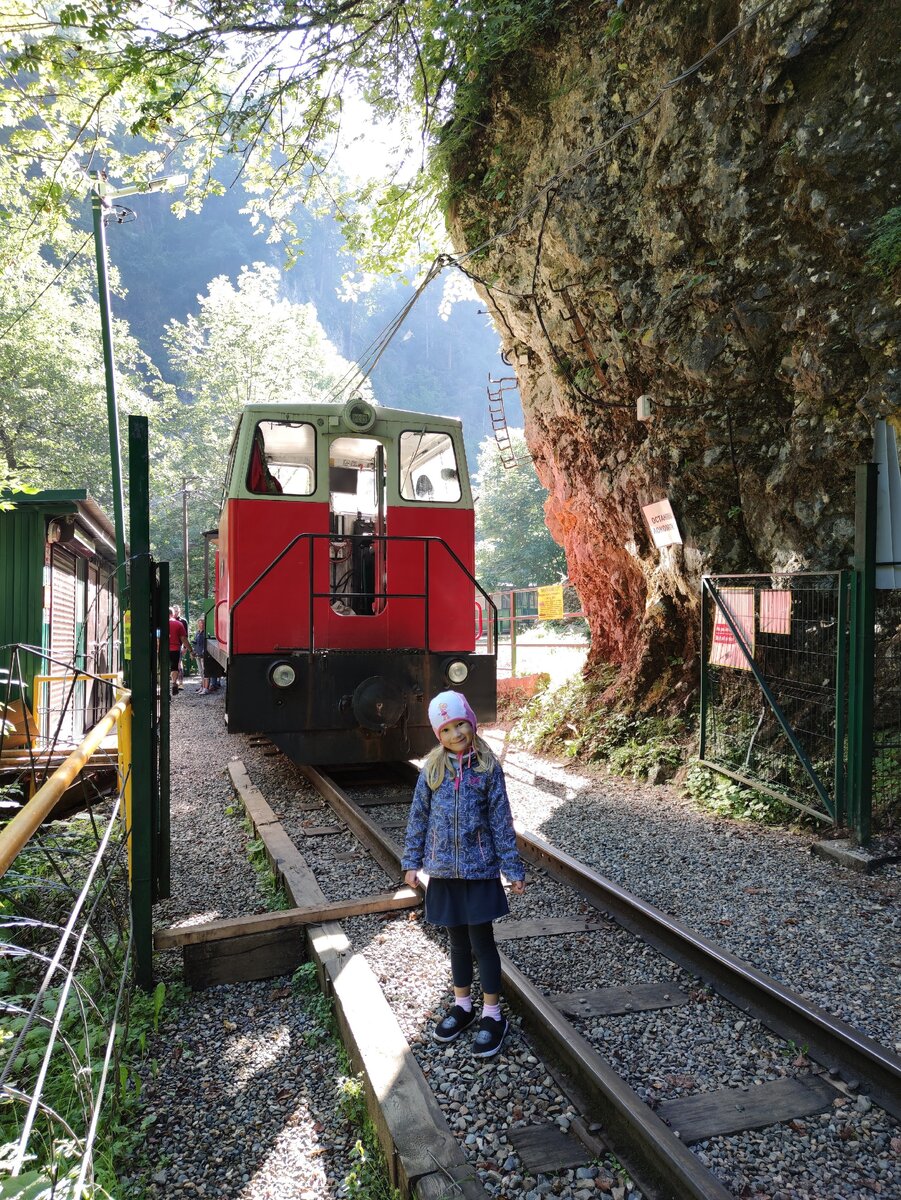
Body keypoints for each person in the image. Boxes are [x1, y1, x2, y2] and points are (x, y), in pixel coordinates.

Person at [402, 690, 526, 1058]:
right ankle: (463, 1006)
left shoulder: (488, 768)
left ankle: (492, 1014)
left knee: (482, 943)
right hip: (443, 871)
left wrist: (512, 867)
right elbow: (418, 818)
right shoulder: (432, 770)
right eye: (446, 729)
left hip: (480, 871)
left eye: (460, 725)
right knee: (456, 943)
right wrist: (411, 861)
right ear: (437, 735)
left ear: (471, 723)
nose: (455, 734)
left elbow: (501, 821)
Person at [168, 608, 190, 696]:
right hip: (175, 649)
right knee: (174, 667)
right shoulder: (178, 624)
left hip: (163, 650)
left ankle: (163, 685)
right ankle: (174, 682)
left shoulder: (160, 624)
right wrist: (190, 650)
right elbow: (184, 638)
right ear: (173, 614)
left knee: (163, 667)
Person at [193, 617, 209, 694]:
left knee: (205, 672)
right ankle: (202, 687)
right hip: (198, 654)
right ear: (198, 624)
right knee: (201, 672)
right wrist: (194, 652)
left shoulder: (206, 633)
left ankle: (206, 688)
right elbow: (195, 643)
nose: (201, 625)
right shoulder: (197, 633)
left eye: (202, 623)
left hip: (204, 655)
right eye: (200, 623)